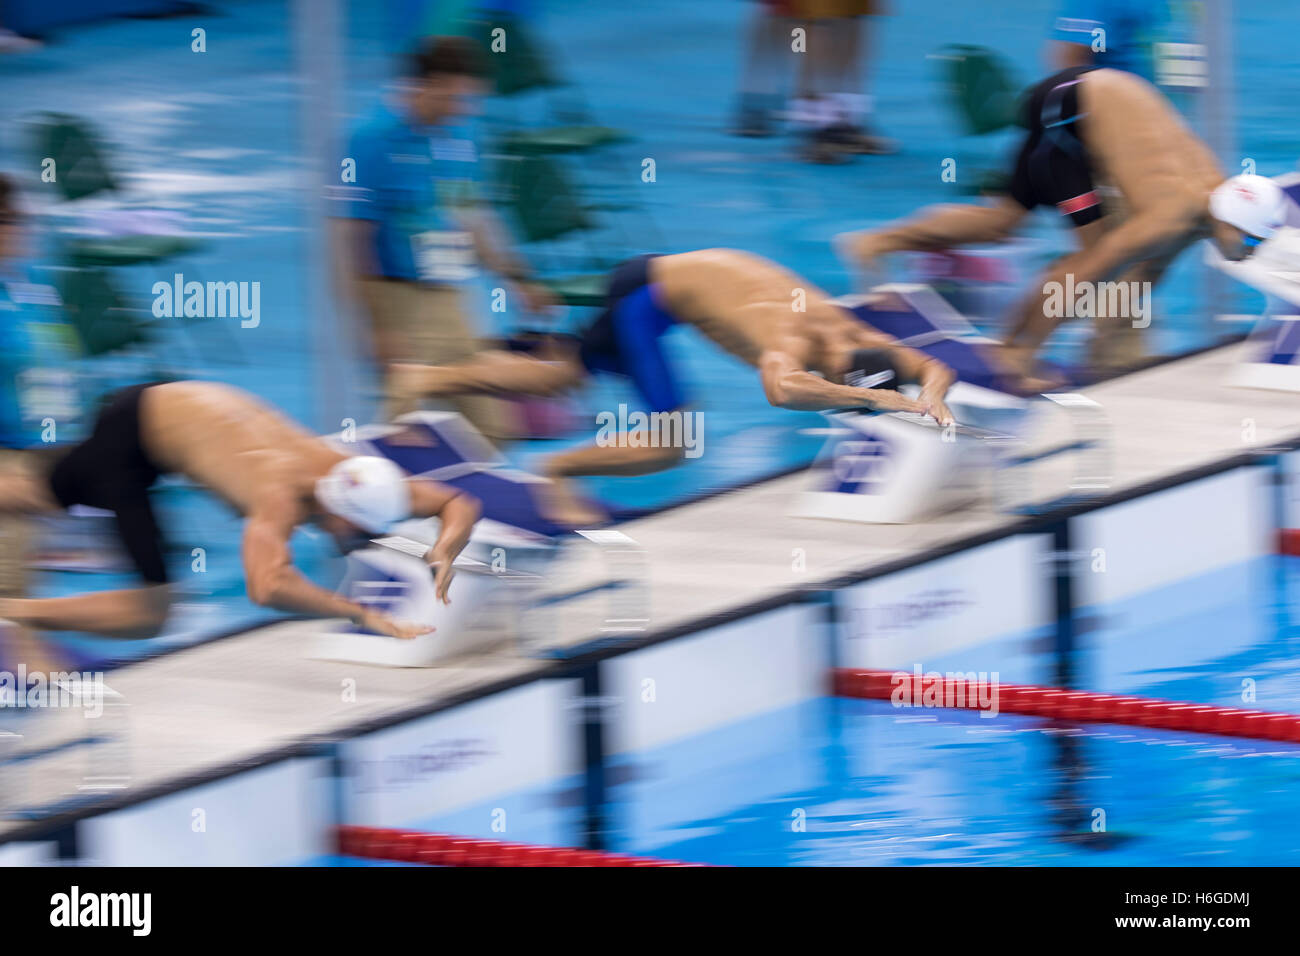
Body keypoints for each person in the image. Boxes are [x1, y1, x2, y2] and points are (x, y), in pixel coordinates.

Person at [389, 248, 956, 525]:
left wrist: (929, 393)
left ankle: (427, 378)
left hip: (657, 278)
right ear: (840, 372)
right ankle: (557, 472)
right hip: (647, 300)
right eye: (839, 388)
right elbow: (782, 390)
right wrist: (875, 399)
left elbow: (930, 364)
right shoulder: (793, 335)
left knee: (562, 374)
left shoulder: (853, 332)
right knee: (675, 441)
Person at [836, 66, 1287, 386]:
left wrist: (1107, 335)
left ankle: (874, 242)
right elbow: (1083, 274)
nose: (1251, 252)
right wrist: (1024, 350)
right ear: (1226, 221)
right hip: (1065, 116)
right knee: (1094, 261)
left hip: (1081, 99)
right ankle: (1013, 349)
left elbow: (1148, 273)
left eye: (1259, 242)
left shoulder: (1208, 203)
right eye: (1248, 239)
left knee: (1001, 221)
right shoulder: (1171, 216)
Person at [0, 381, 482, 642]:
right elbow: (266, 586)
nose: (349, 541)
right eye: (352, 532)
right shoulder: (279, 490)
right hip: (129, 445)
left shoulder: (356, 473)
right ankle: (12, 612)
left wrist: (444, 549)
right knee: (152, 614)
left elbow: (458, 501)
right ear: (335, 506)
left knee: (39, 493)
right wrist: (362, 614)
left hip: (157, 403)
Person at [328, 35, 553, 441]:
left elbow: (471, 217)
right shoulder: (368, 141)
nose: (461, 110)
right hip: (396, 298)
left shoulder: (457, 138)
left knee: (491, 428)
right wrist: (376, 326)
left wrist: (516, 278)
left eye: (468, 100)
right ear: (424, 84)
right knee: (402, 432)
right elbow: (351, 239)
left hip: (450, 294)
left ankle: (462, 504)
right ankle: (375, 499)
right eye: (454, 98)